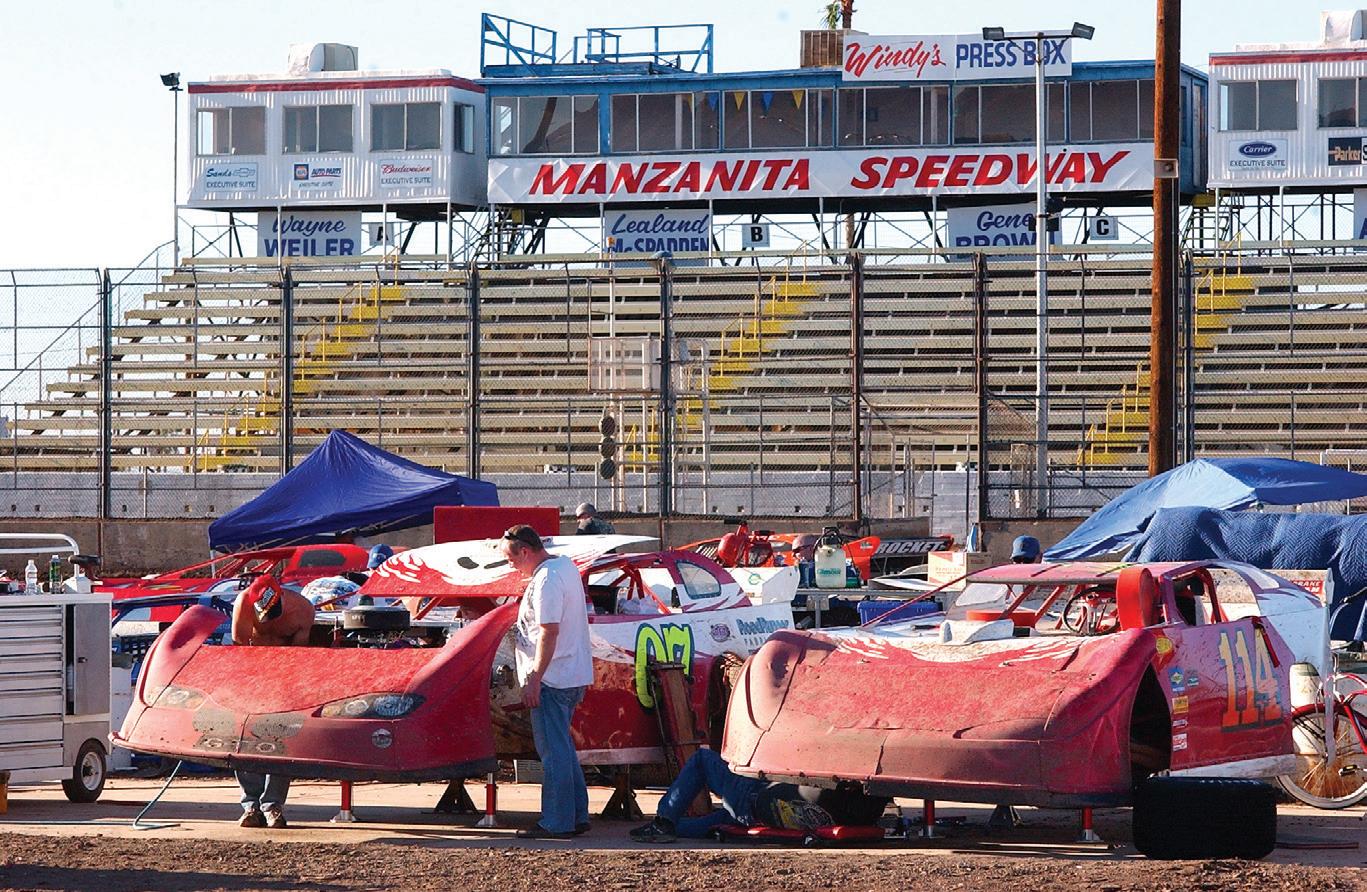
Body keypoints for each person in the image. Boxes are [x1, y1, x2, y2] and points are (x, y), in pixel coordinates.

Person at [501, 525, 594, 840]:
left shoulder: (546, 580)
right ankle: (575, 815)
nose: (512, 566)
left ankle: (558, 821)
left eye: (512, 560)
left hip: (553, 677)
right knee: (562, 747)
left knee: (554, 752)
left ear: (525, 552)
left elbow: (548, 631)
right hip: (569, 673)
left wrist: (534, 678)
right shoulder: (563, 567)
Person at [630, 748, 887, 843]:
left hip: (750, 798)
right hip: (755, 817)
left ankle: (663, 822)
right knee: (717, 820)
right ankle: (670, 827)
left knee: (702, 759)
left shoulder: (830, 782)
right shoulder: (863, 814)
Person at [229, 574, 316, 829]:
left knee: (281, 741)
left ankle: (273, 804)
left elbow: (299, 657)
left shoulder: (302, 610)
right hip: (252, 673)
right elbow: (239, 646)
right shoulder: (244, 603)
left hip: (286, 676)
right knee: (246, 740)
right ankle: (251, 805)